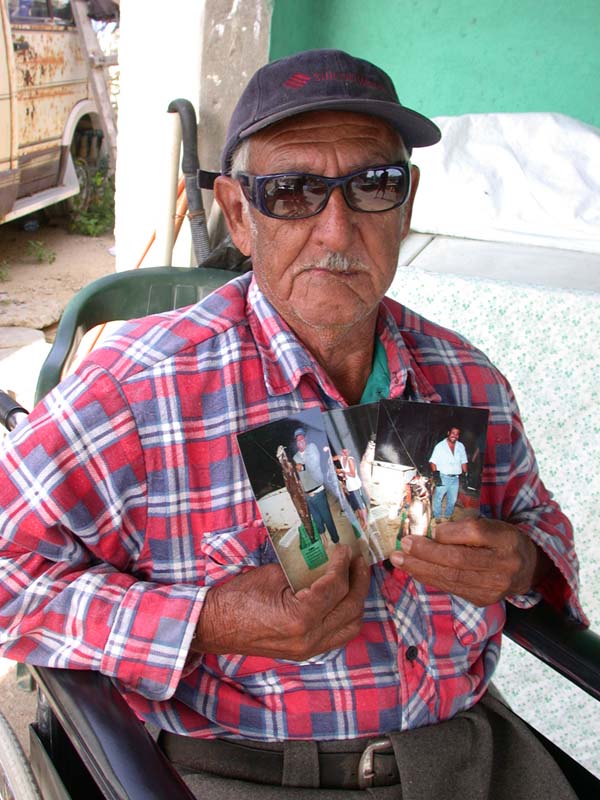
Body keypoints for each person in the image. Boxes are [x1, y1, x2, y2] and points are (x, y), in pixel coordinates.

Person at [0, 49, 586, 799]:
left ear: (406, 207)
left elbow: (541, 525)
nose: (337, 232)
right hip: (251, 773)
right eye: (293, 191)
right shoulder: (137, 392)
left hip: (473, 757)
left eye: (372, 185)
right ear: (240, 215)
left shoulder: (468, 378)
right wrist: (206, 619)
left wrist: (523, 564)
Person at [293, 427, 340, 544]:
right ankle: (324, 538)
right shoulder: (295, 457)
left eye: (302, 439)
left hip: (318, 490)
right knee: (317, 519)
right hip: (307, 494)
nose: (300, 442)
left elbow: (314, 464)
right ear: (296, 443)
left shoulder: (312, 447)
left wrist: (302, 467)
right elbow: (298, 475)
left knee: (327, 517)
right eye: (298, 440)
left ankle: (336, 540)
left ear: (306, 439)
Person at [429, 427, 468, 520]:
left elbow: (464, 461)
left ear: (458, 436)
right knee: (438, 497)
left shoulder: (461, 446)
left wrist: (465, 475)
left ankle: (448, 515)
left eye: (457, 434)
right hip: (443, 476)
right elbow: (432, 461)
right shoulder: (440, 446)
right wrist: (436, 475)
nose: (454, 435)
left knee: (453, 500)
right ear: (448, 433)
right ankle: (437, 516)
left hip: (455, 478)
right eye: (453, 433)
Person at [333, 447, 369, 531]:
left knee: (361, 506)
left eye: (346, 451)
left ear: (349, 451)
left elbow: (352, 474)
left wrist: (342, 471)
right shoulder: (342, 458)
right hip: (350, 487)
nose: (345, 452)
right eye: (343, 451)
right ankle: (361, 521)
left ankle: (366, 522)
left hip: (356, 486)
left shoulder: (350, 460)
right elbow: (332, 458)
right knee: (357, 506)